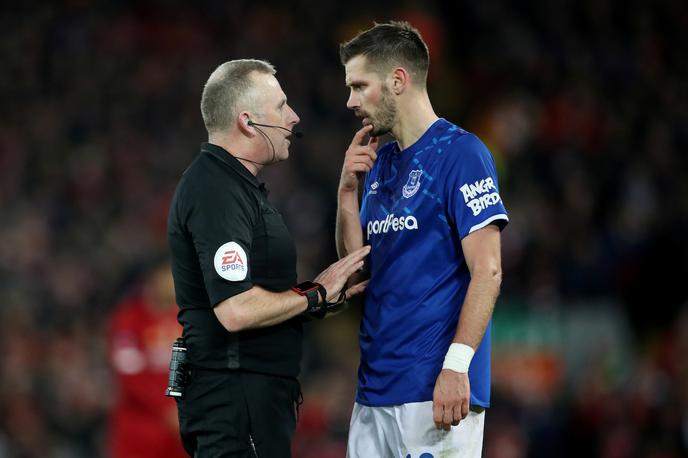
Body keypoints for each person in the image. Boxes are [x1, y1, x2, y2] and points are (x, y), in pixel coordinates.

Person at [167, 59, 370, 458]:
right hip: (236, 399)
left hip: (247, 400)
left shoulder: (235, 187)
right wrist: (313, 296)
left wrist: (317, 297)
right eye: (280, 106)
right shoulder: (216, 191)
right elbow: (235, 310)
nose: (293, 117)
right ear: (248, 121)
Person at [336, 22, 509, 457]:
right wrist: (346, 196)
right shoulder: (380, 163)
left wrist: (456, 367)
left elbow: (487, 271)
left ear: (397, 81)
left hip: (434, 392)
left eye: (360, 86)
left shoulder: (462, 154)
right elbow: (356, 271)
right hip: (373, 391)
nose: (350, 101)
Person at [107, 258, 187, 458]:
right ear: (153, 279)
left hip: (179, 427)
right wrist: (167, 407)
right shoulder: (129, 319)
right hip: (141, 427)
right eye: (168, 275)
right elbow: (130, 374)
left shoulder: (183, 319)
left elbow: (186, 363)